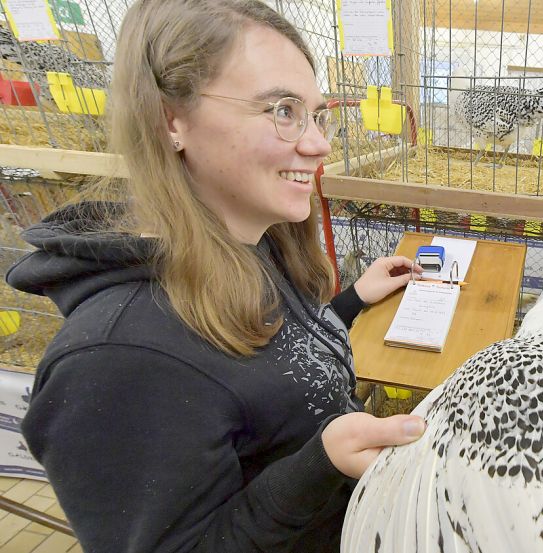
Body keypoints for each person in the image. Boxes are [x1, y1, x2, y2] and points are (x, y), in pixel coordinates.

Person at [5, 0, 426, 550]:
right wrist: (317, 467)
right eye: (281, 109)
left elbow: (271, 364)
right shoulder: (117, 361)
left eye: (317, 114)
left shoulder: (251, 243)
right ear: (170, 120)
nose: (319, 143)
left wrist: (351, 302)